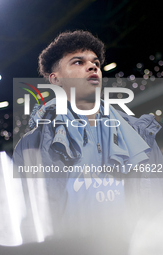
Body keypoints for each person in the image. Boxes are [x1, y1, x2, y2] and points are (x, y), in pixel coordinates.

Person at [13, 30, 163, 237]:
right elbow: (33, 218)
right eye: (78, 62)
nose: (92, 67)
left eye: (96, 63)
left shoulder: (140, 133)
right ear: (55, 79)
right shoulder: (32, 145)